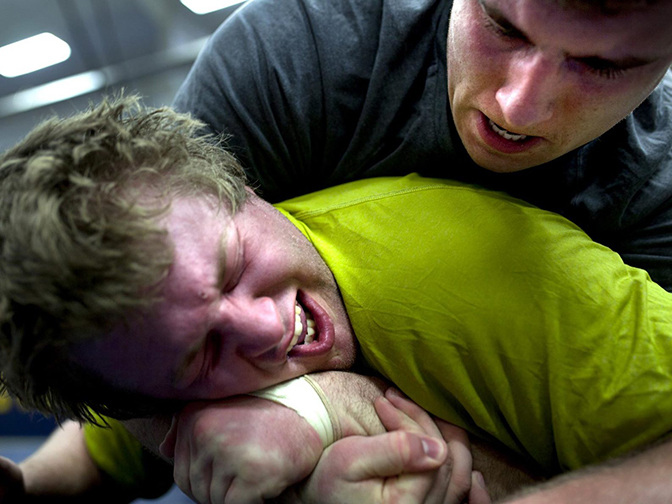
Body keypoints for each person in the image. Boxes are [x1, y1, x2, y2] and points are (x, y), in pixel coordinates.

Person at [2, 98, 672, 502]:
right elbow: (99, 455)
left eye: (235, 265)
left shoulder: (480, 272)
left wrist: (328, 423)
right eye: (202, 354)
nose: (265, 327)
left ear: (246, 188)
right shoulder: (143, 343)